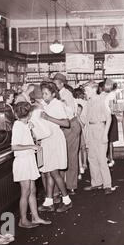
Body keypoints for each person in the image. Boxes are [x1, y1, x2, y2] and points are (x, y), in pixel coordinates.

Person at [11, 102, 51, 228]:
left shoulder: (24, 124)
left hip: (28, 160)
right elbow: (14, 146)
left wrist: (30, 128)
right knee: (26, 191)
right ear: (28, 114)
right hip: (22, 161)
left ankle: (35, 217)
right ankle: (23, 220)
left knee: (32, 190)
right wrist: (32, 146)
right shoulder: (17, 125)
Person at [38, 82, 72, 213]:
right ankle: (49, 202)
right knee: (47, 172)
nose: (44, 96)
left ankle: (67, 200)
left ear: (53, 94)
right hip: (47, 140)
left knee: (54, 172)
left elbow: (66, 123)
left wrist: (47, 117)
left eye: (46, 93)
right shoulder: (47, 105)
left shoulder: (57, 104)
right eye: (43, 93)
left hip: (55, 140)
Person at [83, 81, 115, 195]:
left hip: (100, 128)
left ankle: (107, 185)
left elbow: (109, 118)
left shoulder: (102, 100)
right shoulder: (89, 102)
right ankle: (96, 182)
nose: (85, 92)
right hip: (91, 130)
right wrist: (86, 134)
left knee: (102, 158)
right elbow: (86, 119)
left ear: (93, 89)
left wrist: (105, 134)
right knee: (92, 158)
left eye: (86, 90)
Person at [53, 73, 81, 195]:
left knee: (71, 157)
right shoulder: (60, 95)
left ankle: (71, 186)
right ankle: (65, 185)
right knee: (64, 156)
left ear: (61, 83)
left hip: (70, 126)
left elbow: (68, 113)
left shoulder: (66, 95)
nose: (53, 86)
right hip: (66, 126)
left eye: (55, 84)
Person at [73, 87, 88, 176]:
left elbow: (82, 123)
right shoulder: (84, 103)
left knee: (81, 148)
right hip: (81, 129)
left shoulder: (77, 103)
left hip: (80, 128)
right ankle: (83, 164)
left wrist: (78, 116)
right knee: (82, 148)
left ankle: (83, 164)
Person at [104, 79, 119, 167]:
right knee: (109, 141)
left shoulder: (110, 94)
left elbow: (112, 107)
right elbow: (114, 107)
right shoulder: (112, 94)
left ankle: (109, 159)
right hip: (110, 116)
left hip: (108, 117)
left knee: (108, 140)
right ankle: (110, 158)